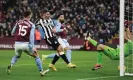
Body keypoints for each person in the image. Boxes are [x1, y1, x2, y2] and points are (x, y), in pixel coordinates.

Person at [6, 10, 49, 76]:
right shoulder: (31, 24)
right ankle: (41, 71)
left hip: (17, 44)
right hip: (25, 44)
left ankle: (11, 65)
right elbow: (31, 36)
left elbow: (12, 32)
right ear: (29, 15)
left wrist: (17, 35)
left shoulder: (18, 22)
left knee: (17, 56)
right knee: (36, 56)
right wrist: (33, 46)